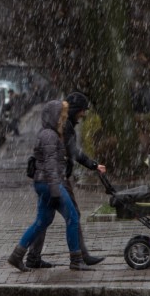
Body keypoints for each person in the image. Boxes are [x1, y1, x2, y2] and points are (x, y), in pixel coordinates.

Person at [7, 100, 92, 271]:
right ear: (55, 116)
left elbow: (53, 162)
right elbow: (50, 166)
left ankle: (17, 256)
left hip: (44, 183)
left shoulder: (49, 134)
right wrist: (55, 192)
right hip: (49, 184)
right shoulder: (50, 136)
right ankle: (76, 260)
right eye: (62, 116)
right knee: (73, 217)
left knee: (42, 221)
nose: (64, 119)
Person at [25, 91, 107, 268]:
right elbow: (74, 152)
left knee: (43, 219)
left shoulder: (60, 125)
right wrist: (93, 165)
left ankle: (32, 257)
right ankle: (79, 257)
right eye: (83, 110)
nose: (84, 114)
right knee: (72, 215)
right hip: (56, 178)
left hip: (49, 178)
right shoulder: (64, 127)